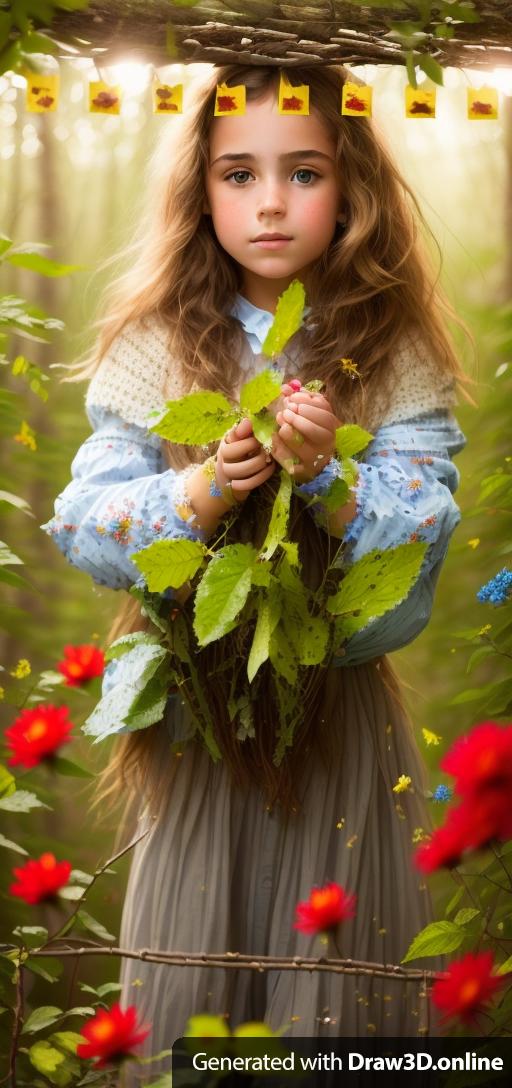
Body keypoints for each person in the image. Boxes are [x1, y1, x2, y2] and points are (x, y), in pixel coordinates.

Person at [41, 63, 471, 1080]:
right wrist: (202, 490)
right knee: (196, 980)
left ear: (352, 189)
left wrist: (329, 478)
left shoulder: (389, 344)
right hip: (197, 723)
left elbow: (418, 537)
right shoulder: (157, 342)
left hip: (336, 718)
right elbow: (88, 520)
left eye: (303, 172)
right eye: (239, 174)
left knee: (335, 990)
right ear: (200, 191)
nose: (270, 201)